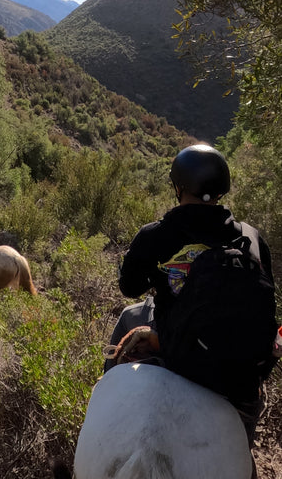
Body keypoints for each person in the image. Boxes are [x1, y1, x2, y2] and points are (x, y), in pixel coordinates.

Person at [118, 144, 277, 458]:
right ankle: (244, 446)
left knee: (127, 318)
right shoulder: (252, 238)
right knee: (244, 427)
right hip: (238, 368)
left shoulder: (155, 235)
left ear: (178, 187)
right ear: (221, 189)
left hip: (176, 348)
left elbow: (129, 287)